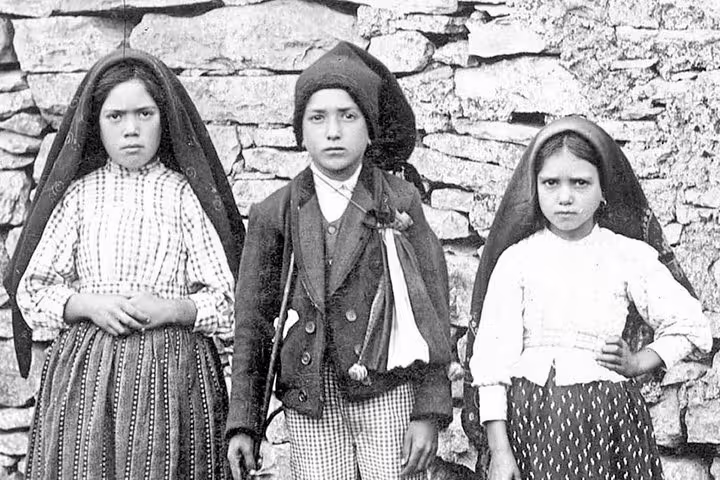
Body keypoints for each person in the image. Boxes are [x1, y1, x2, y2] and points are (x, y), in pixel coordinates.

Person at [3, 49, 245, 479]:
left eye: (144, 114)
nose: (131, 129)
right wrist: (88, 304)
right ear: (95, 124)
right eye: (115, 116)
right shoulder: (79, 197)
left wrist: (172, 309)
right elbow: (33, 288)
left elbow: (228, 298)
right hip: (86, 375)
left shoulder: (183, 196)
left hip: (173, 371)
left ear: (164, 118)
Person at [226, 41, 454, 480]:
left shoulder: (398, 201)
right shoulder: (276, 212)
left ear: (369, 128)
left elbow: (433, 311)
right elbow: (253, 322)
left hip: (386, 388)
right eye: (318, 118)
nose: (333, 131)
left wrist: (428, 411)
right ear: (301, 132)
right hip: (311, 398)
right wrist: (244, 422)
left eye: (348, 116)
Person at [464, 116, 712, 479]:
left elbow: (691, 325)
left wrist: (640, 361)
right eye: (551, 183)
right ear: (535, 188)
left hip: (610, 421)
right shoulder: (518, 260)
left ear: (603, 189)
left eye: (580, 183)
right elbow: (491, 365)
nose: (565, 197)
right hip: (532, 423)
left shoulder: (627, 255)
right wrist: (501, 452)